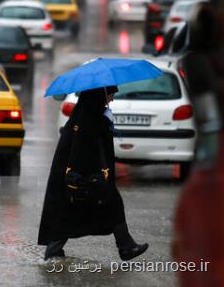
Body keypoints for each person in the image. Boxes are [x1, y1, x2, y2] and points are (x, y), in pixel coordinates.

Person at [38, 86, 148, 261]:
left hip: (88, 172)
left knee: (104, 206)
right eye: (111, 94)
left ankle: (126, 246)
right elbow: (80, 147)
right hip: (83, 173)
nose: (111, 99)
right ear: (100, 94)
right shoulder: (88, 115)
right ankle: (53, 250)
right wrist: (77, 176)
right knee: (72, 210)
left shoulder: (92, 111)